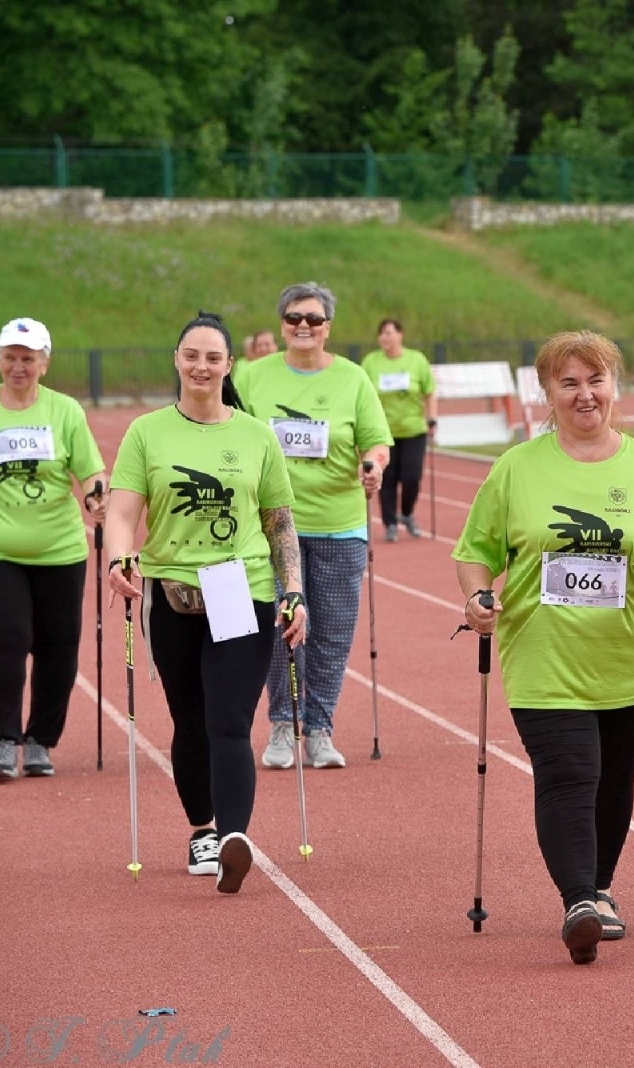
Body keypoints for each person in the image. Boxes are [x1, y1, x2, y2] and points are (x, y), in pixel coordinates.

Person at [452, 330, 634, 965]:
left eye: (595, 380)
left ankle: (600, 887)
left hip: (629, 652)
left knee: (614, 779)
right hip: (543, 651)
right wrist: (479, 598)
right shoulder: (517, 468)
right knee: (570, 772)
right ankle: (578, 903)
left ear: (613, 387)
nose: (584, 394)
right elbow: (475, 553)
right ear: (547, 393)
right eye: (568, 383)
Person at [103, 311, 307, 894]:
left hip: (236, 586)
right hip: (170, 589)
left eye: (213, 358)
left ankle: (234, 837)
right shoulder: (147, 432)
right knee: (189, 717)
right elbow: (121, 512)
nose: (202, 366)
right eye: (192, 355)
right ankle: (202, 828)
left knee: (229, 718)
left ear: (228, 366)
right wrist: (119, 559)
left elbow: (280, 524)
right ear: (177, 360)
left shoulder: (255, 434)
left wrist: (293, 590)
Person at [235, 282, 391, 770]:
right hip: (273, 527)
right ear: (281, 324)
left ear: (328, 327)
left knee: (331, 634)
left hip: (339, 526)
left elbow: (375, 441)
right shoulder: (252, 375)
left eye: (314, 319)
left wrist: (373, 464)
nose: (304, 326)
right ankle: (283, 722)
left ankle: (320, 727)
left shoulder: (353, 378)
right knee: (281, 627)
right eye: (294, 318)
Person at [0, 317, 106, 780]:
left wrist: (97, 494)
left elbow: (92, 471)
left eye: (27, 358)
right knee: (6, 636)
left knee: (58, 646)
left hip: (59, 548)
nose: (18, 366)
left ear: (44, 362)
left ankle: (41, 739)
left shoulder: (64, 411)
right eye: (10, 357)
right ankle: (4, 740)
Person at [360, 319, 437, 541]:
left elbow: (429, 390)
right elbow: (363, 395)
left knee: (412, 476)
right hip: (383, 432)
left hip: (413, 429)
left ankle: (407, 513)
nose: (384, 338)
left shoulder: (416, 360)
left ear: (400, 335)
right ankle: (390, 523)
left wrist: (432, 418)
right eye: (381, 334)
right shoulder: (371, 361)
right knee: (388, 478)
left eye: (389, 333)